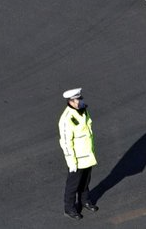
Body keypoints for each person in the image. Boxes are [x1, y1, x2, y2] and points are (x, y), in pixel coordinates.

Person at [58, 88, 98, 220]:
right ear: (71, 101)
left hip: (87, 155)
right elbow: (65, 142)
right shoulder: (66, 119)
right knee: (73, 184)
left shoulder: (84, 111)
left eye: (81, 98)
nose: (81, 101)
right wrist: (71, 162)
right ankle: (69, 208)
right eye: (78, 99)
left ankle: (84, 200)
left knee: (86, 181)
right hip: (76, 158)